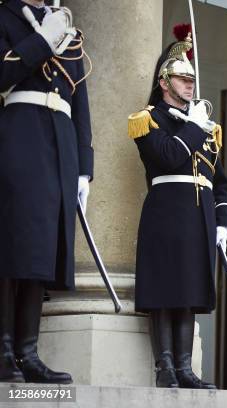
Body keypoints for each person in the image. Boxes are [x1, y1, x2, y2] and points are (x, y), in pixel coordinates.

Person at [128, 29, 227, 389]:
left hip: (199, 216)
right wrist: (194, 127)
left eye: (192, 79)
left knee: (188, 292)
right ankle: (165, 368)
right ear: (163, 81)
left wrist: (223, 221)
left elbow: (221, 182)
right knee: (164, 290)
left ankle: (186, 368)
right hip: (166, 212)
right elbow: (170, 156)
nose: (189, 85)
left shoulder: (206, 127)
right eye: (182, 78)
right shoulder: (147, 119)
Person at [0, 0, 93, 384]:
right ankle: (4, 348)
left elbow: (82, 102)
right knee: (13, 243)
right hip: (20, 131)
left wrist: (85, 168)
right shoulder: (4, 17)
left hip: (62, 141)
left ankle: (29, 351)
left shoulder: (69, 31)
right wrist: (41, 39)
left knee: (43, 247)